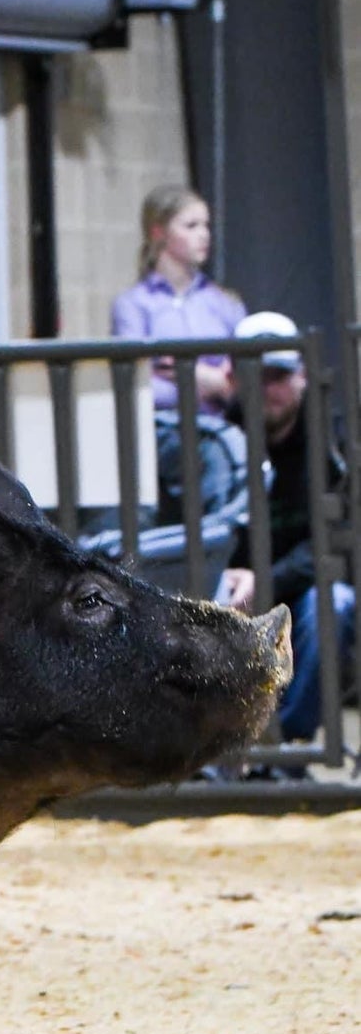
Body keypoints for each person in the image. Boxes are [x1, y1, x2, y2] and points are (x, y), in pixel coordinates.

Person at [218, 312, 354, 744]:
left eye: (277, 375)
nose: (266, 389)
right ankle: (228, 749)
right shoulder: (213, 441)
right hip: (228, 594)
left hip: (295, 589)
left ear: (302, 378)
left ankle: (287, 742)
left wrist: (265, 579)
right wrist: (221, 572)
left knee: (334, 600)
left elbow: (331, 544)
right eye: (254, 375)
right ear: (233, 378)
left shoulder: (330, 447)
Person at [111, 185, 246, 523]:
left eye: (206, 225)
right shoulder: (133, 304)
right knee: (208, 454)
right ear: (158, 232)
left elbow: (239, 382)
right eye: (191, 226)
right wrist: (206, 379)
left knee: (222, 451)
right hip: (159, 429)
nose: (204, 235)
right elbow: (139, 385)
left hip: (219, 425)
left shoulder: (225, 303)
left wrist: (184, 373)